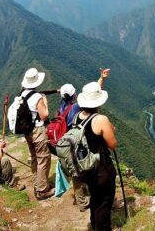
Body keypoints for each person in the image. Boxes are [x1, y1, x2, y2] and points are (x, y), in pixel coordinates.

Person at [58, 68, 110, 212]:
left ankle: (81, 202)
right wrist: (101, 81)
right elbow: (92, 99)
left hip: (68, 143)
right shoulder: (76, 107)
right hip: (79, 145)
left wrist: (102, 79)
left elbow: (91, 96)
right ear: (74, 95)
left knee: (76, 174)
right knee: (85, 170)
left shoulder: (62, 107)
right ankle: (92, 198)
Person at [77, 81, 117, 231]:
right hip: (102, 168)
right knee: (105, 202)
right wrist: (112, 130)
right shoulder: (100, 119)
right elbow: (112, 144)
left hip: (86, 168)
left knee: (95, 198)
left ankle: (95, 226)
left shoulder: (77, 117)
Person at [20, 67, 54, 200]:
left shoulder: (22, 94)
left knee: (34, 157)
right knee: (44, 158)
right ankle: (42, 190)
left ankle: (38, 183)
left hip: (27, 131)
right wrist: (45, 101)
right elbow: (44, 115)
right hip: (38, 130)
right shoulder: (37, 97)